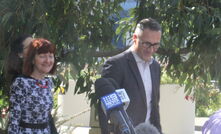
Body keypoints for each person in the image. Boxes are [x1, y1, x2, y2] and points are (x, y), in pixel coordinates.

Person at [100, 18, 162, 134]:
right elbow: (106, 111)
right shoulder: (115, 64)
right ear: (134, 38)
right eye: (147, 44)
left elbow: (154, 108)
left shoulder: (155, 67)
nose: (151, 50)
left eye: (155, 45)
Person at [8, 38, 57, 134]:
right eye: (42, 56)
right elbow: (14, 119)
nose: (48, 60)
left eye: (51, 56)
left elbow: (47, 118)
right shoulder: (21, 82)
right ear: (33, 60)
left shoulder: (48, 82)